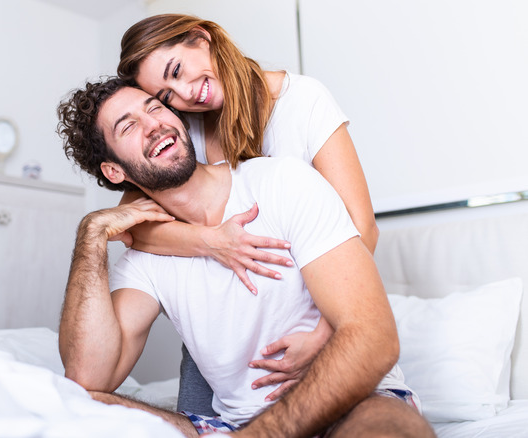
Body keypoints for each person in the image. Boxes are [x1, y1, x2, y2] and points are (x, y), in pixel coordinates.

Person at [55, 78, 434, 437]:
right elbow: (88, 379)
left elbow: (375, 338)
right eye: (128, 126)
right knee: (83, 407)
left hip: (354, 406)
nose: (153, 125)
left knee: (388, 429)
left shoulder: (281, 182)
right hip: (238, 427)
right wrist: (91, 237)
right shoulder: (146, 256)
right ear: (113, 171)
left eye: (154, 107)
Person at [116, 14, 381, 414]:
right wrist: (212, 242)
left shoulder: (302, 100)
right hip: (222, 348)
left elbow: (362, 228)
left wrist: (325, 333)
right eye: (166, 96)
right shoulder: (184, 131)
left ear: (200, 38)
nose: (186, 94)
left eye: (177, 70)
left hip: (313, 322)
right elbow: (131, 225)